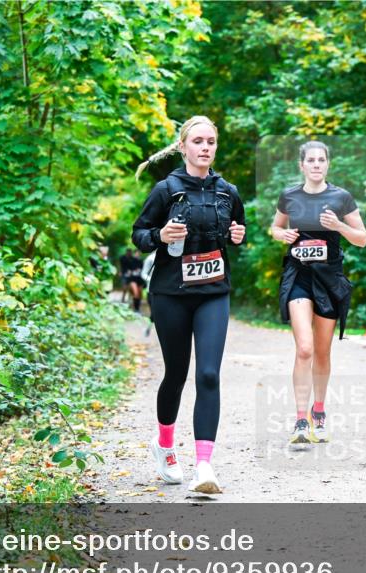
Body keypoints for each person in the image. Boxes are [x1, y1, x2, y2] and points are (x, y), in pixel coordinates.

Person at [132, 115, 246, 493]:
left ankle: (204, 466)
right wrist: (160, 235)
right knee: (177, 374)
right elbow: (139, 234)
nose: (205, 147)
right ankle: (164, 445)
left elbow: (237, 229)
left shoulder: (227, 192)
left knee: (209, 374)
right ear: (183, 147)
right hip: (171, 294)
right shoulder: (166, 189)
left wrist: (238, 235)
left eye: (210, 141)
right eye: (198, 141)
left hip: (213, 292)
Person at [270, 141, 366, 446]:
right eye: (310, 160)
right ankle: (301, 420)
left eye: (320, 160)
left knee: (323, 352)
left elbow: (362, 238)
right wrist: (282, 234)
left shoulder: (341, 197)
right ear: (301, 165)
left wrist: (338, 226)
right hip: (299, 276)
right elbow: (275, 228)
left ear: (327, 164)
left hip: (329, 279)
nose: (315, 164)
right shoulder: (290, 196)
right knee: (305, 349)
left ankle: (319, 412)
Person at [118, 248, 145, 312]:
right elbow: (126, 268)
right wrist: (124, 272)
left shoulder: (141, 261)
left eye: (139, 253)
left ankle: (137, 308)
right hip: (132, 278)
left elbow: (143, 270)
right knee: (135, 292)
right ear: (134, 253)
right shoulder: (130, 260)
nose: (138, 254)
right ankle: (136, 309)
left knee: (139, 294)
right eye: (137, 253)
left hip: (139, 279)